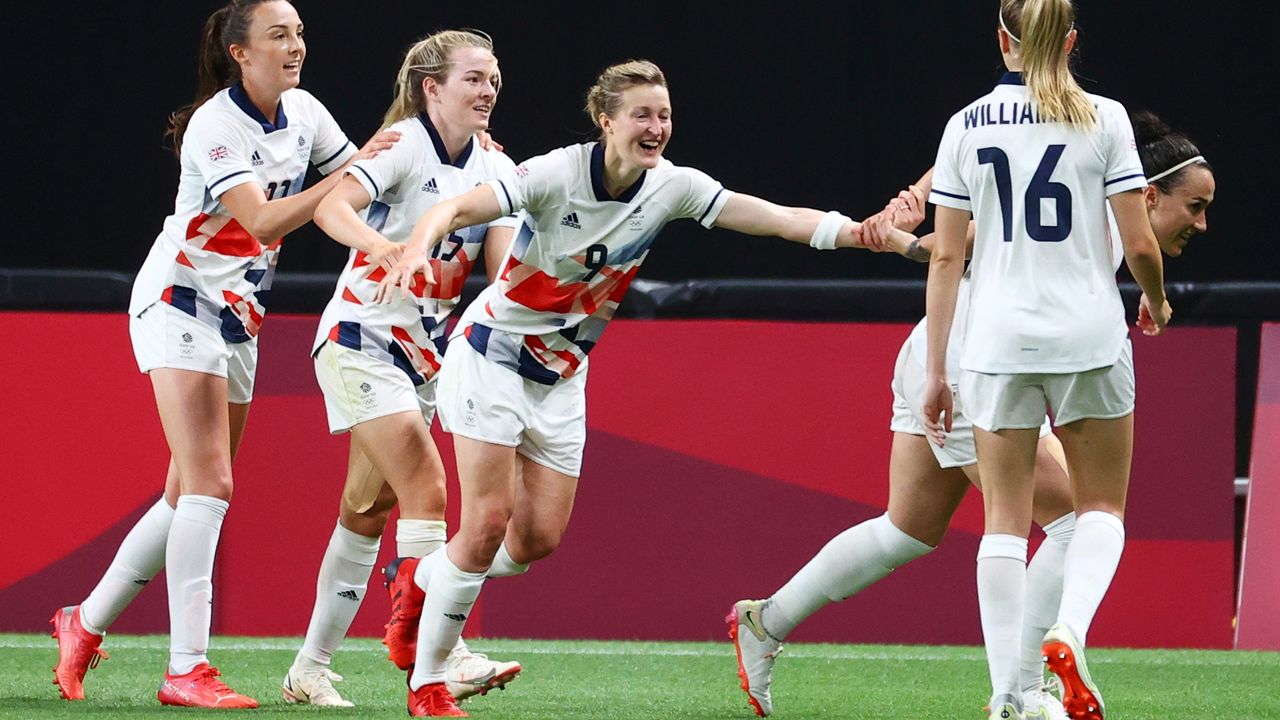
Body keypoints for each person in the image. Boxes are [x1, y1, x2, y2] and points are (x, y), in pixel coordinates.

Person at [374, 59, 873, 717]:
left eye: (664, 115)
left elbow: (773, 217)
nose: (656, 127)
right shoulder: (556, 173)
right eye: (642, 114)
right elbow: (457, 206)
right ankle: (429, 682)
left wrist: (857, 233)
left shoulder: (672, 187)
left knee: (533, 542)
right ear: (605, 119)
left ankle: (423, 578)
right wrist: (417, 246)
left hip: (560, 378)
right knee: (488, 520)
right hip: (492, 357)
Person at [726, 103, 1215, 717]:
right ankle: (1023, 689)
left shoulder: (1072, 182)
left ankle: (764, 622)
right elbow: (944, 245)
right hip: (969, 363)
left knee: (906, 527)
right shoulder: (1093, 197)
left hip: (950, 349)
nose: (1200, 223)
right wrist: (904, 229)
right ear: (1146, 194)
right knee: (1070, 520)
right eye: (1194, 207)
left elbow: (971, 171)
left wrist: (911, 207)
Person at [49, 0, 396, 708]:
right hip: (177, 302)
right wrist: (352, 172)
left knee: (187, 492)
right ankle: (186, 669)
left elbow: (352, 197)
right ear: (240, 52)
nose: (296, 45)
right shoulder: (216, 124)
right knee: (211, 485)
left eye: (299, 32)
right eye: (279, 34)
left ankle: (82, 622)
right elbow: (264, 217)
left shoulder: (304, 112)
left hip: (239, 316)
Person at [922, 2, 1170, 719]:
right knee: (1101, 509)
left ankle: (1006, 697)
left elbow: (945, 254)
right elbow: (1144, 245)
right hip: (1088, 334)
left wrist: (937, 369)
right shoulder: (1106, 117)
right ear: (1070, 42)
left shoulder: (964, 125)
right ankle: (1070, 629)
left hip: (996, 339)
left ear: (1001, 38)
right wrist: (1155, 299)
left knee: (1003, 521)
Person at [282, 29, 522, 708]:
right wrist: (384, 248)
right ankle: (440, 653)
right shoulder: (403, 145)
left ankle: (308, 667)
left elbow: (504, 268)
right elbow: (331, 207)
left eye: (494, 79)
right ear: (431, 87)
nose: (488, 90)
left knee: (366, 508)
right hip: (360, 337)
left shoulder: (498, 168)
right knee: (429, 489)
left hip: (423, 354)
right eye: (474, 78)